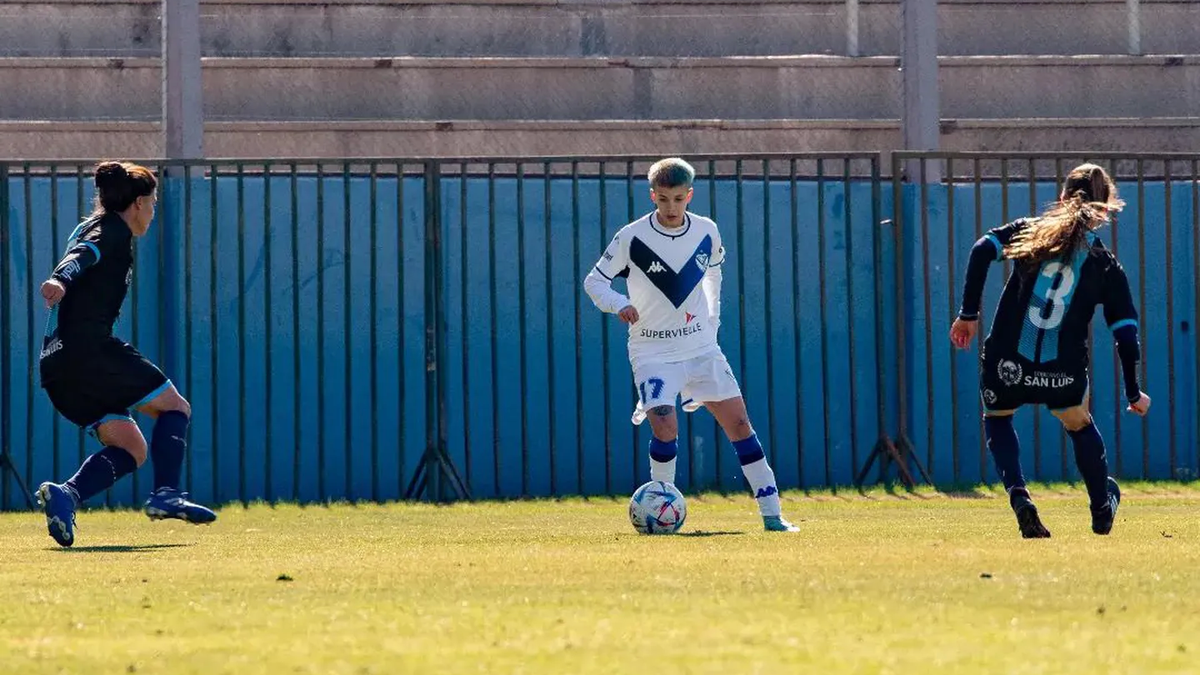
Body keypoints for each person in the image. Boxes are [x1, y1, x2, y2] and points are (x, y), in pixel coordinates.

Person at [583, 157, 798, 532]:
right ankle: (661, 511)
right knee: (665, 428)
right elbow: (594, 282)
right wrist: (619, 304)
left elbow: (714, 275)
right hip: (652, 351)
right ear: (653, 195)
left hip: (701, 349)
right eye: (664, 199)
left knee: (740, 424)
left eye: (679, 199)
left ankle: (772, 515)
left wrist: (713, 322)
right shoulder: (631, 237)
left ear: (690, 196)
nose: (671, 207)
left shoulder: (706, 231)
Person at [950, 163, 1150, 538]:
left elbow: (981, 250)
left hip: (1008, 362)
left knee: (997, 417)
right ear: (1104, 210)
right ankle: (1101, 508)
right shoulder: (1105, 264)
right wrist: (1132, 391)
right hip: (1062, 372)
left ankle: (1020, 497)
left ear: (1061, 198)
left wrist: (968, 315)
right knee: (1078, 423)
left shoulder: (1031, 232)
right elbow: (1125, 333)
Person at [35, 161, 216, 548]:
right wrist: (60, 279)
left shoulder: (91, 226)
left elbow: (84, 249)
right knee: (175, 408)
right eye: (153, 203)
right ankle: (166, 494)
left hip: (57, 368)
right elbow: (83, 255)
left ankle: (66, 495)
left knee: (132, 447)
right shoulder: (111, 230)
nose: (153, 212)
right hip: (88, 352)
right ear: (137, 203)